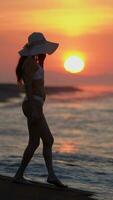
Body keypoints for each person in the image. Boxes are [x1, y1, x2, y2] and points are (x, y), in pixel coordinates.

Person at [13, 32, 67, 188]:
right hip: (33, 105)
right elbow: (29, 86)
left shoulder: (34, 61)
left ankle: (20, 175)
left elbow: (38, 81)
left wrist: (42, 62)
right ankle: (49, 175)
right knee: (47, 140)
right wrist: (35, 110)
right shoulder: (30, 62)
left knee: (35, 142)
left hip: (34, 105)